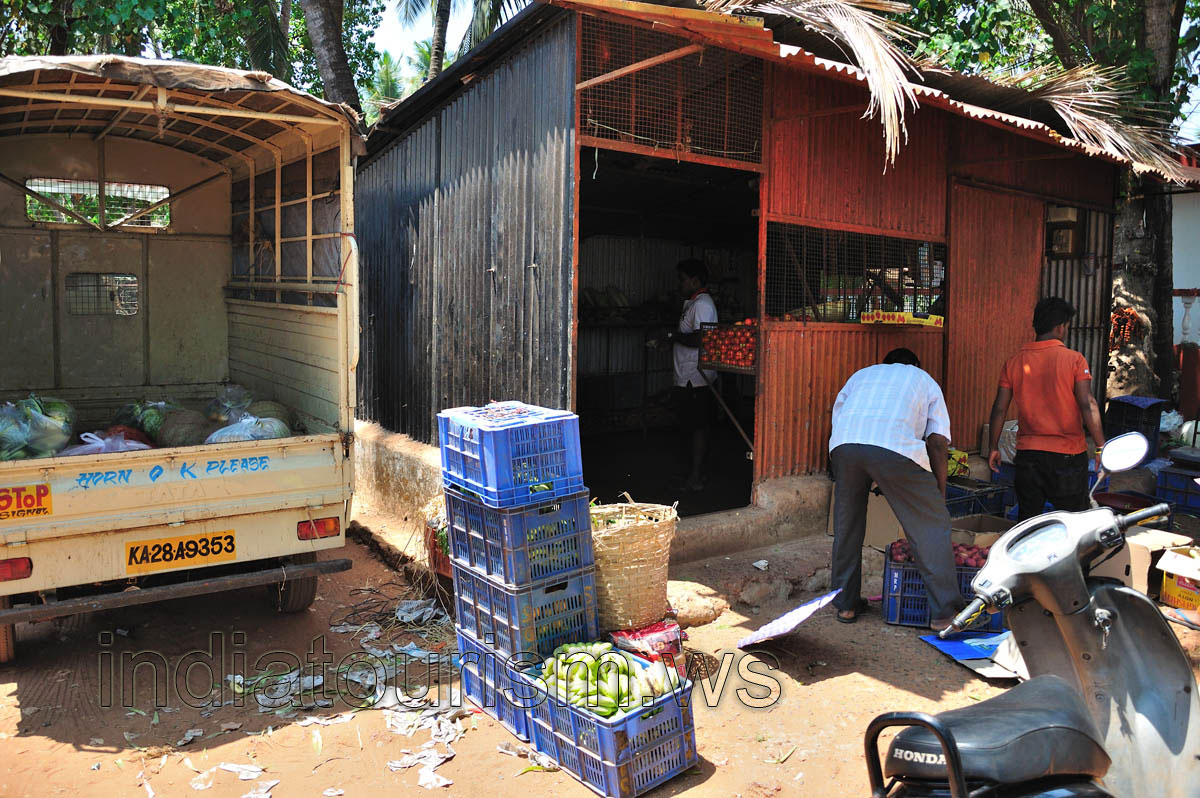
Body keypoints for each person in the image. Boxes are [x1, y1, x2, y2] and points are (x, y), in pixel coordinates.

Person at [829, 348, 964, 628]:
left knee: (847, 525)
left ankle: (846, 604)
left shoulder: (861, 375)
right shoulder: (923, 378)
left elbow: (840, 419)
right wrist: (939, 492)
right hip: (895, 447)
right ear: (915, 364)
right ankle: (945, 613)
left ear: (885, 364)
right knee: (930, 526)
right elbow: (938, 441)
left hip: (844, 447)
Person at [987, 297, 1105, 520]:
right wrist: (1100, 446)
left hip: (1028, 456)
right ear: (1061, 327)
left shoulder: (1013, 362)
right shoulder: (1075, 360)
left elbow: (999, 409)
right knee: (1074, 523)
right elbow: (1087, 404)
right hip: (1068, 457)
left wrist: (993, 447)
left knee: (1029, 522)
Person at [651, 259, 718, 492]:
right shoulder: (692, 303)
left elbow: (701, 339)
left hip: (697, 377)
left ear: (695, 280)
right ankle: (693, 474)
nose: (679, 284)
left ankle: (697, 478)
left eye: (682, 279)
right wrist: (671, 342)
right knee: (691, 426)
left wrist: (672, 337)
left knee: (698, 427)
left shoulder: (703, 304)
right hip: (687, 375)